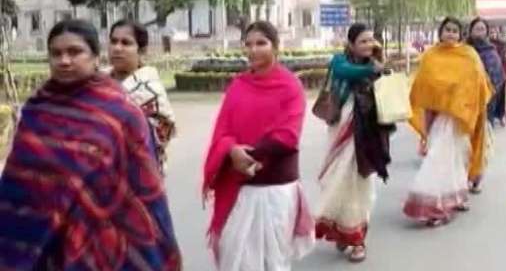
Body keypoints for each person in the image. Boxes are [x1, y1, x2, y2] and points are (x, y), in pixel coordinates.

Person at [0, 19, 182, 270]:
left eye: (75, 52)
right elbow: (18, 184)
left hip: (101, 241)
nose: (64, 60)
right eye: (56, 53)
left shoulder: (121, 113)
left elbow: (143, 186)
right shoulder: (36, 111)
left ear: (95, 58)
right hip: (43, 245)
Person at [202, 21, 315, 270]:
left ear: (275, 47)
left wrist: (249, 156)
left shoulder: (290, 87)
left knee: (272, 262)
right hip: (239, 186)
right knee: (237, 258)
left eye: (261, 43)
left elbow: (287, 136)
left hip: (275, 189)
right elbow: (223, 132)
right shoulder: (238, 86)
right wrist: (232, 151)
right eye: (249, 44)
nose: (253, 50)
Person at [315, 23, 395, 263]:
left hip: (367, 133)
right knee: (338, 179)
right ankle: (343, 229)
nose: (369, 45)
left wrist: (381, 67)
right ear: (350, 44)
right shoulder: (339, 61)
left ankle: (358, 238)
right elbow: (345, 73)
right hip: (342, 129)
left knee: (360, 184)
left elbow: (389, 92)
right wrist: (373, 68)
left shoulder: (379, 64)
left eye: (372, 40)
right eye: (363, 41)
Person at [403, 17, 492, 226]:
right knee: (438, 157)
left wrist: (460, 100)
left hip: (461, 117)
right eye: (447, 30)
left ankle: (456, 196)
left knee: (458, 157)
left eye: (454, 31)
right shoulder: (431, 56)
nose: (450, 34)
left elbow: (478, 84)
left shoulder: (469, 55)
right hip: (438, 117)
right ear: (440, 33)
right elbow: (424, 85)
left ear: (461, 35)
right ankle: (434, 204)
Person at [109, 19, 176, 173]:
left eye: (126, 43)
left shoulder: (150, 92)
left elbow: (160, 137)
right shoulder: (96, 83)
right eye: (113, 42)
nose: (117, 48)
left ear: (142, 50)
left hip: (139, 177)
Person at [467, 18, 506, 128]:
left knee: (484, 138)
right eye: (477, 29)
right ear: (471, 31)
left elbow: (498, 77)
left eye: (482, 29)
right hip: (465, 102)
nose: (480, 32)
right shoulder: (463, 50)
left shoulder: (491, 51)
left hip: (486, 103)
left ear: (486, 32)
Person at [489, 24, 506, 126]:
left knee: (501, 98)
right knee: (491, 99)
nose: (492, 35)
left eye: (494, 33)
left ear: (497, 34)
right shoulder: (487, 46)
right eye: (491, 33)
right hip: (489, 76)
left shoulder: (502, 45)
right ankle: (491, 118)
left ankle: (502, 116)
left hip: (501, 74)